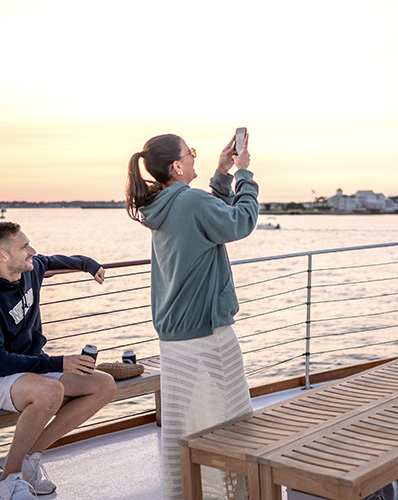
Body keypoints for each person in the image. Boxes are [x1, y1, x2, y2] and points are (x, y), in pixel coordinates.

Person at [125, 132, 258, 500]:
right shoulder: (189, 202)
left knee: (186, 423)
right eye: (191, 154)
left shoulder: (165, 204)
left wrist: (220, 174)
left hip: (175, 335)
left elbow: (208, 220)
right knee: (234, 421)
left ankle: (188, 491)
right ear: (176, 166)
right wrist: (244, 175)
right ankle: (235, 493)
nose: (194, 158)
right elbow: (239, 222)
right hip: (208, 332)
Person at [0, 222, 116, 500]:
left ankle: (28, 459)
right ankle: (7, 481)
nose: (33, 251)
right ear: (2, 256)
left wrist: (89, 265)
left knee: (103, 385)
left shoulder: (29, 270)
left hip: (27, 366)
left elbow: (54, 260)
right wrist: (57, 363)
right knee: (50, 391)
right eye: (24, 247)